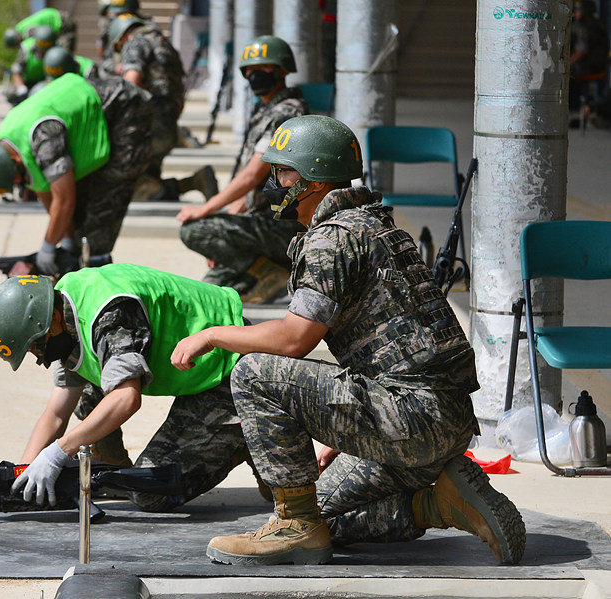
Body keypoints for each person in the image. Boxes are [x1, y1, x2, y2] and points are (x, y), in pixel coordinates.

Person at [171, 115, 526, 566]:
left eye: (284, 173)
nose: (275, 184)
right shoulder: (375, 226)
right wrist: (341, 436)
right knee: (327, 521)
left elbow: (294, 339)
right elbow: (390, 351)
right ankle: (440, 502)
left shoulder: (333, 238)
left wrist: (213, 335)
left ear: (313, 180)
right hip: (438, 419)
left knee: (254, 373)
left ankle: (293, 524)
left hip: (411, 417)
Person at [0, 264, 255, 512]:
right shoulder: (61, 311)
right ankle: (111, 465)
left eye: (35, 346)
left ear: (50, 319)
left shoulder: (108, 317)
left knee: (150, 492)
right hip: (199, 371)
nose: (39, 357)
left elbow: (126, 398)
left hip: (231, 369)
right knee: (89, 390)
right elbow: (56, 412)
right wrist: (19, 477)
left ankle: (246, 440)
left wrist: (56, 454)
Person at [0, 73, 152, 276]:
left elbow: (64, 201)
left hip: (125, 109)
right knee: (78, 222)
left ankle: (98, 275)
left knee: (102, 211)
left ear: (14, 161)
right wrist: (66, 239)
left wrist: (47, 248)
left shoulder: (43, 137)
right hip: (100, 116)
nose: (20, 184)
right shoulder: (10, 140)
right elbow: (43, 188)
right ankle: (85, 265)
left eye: (16, 180)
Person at [176, 35, 309, 303]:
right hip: (263, 221)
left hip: (282, 226)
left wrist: (207, 209)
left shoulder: (285, 113)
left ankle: (270, 274)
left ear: (282, 71)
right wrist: (232, 216)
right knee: (213, 288)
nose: (253, 75)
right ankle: (267, 272)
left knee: (194, 230)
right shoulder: (268, 110)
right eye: (249, 70)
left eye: (262, 68)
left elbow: (252, 175)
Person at [106, 14, 187, 201]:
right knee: (151, 174)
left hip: (149, 120)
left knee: (127, 186)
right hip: (169, 121)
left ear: (122, 37)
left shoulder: (135, 43)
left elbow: (131, 82)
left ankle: (166, 188)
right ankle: (195, 181)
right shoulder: (163, 43)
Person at [569, 0, 609, 118]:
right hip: (585, 66)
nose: (576, 13)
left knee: (566, 73)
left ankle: (576, 110)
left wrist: (567, 63)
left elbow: (582, 51)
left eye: (579, 10)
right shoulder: (580, 24)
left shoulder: (590, 25)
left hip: (591, 67)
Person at [6, 25, 57, 104]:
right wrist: (21, 88)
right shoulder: (26, 48)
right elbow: (16, 72)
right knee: (13, 95)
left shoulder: (57, 51)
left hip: (46, 82)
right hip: (27, 82)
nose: (43, 53)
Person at [4, 7, 76, 54]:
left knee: (64, 54)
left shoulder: (27, 31)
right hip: (57, 19)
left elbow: (43, 37)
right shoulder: (19, 28)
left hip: (61, 21)